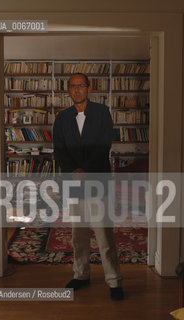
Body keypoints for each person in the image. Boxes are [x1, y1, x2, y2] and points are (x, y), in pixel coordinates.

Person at [53, 73, 124, 300]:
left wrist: (85, 170)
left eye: (80, 86)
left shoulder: (102, 113)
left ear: (89, 88)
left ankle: (114, 281)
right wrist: (73, 170)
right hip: (73, 183)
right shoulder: (62, 118)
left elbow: (104, 145)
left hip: (98, 181)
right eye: (72, 87)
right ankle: (81, 274)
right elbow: (59, 149)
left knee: (104, 235)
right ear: (68, 90)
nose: (76, 90)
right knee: (78, 234)